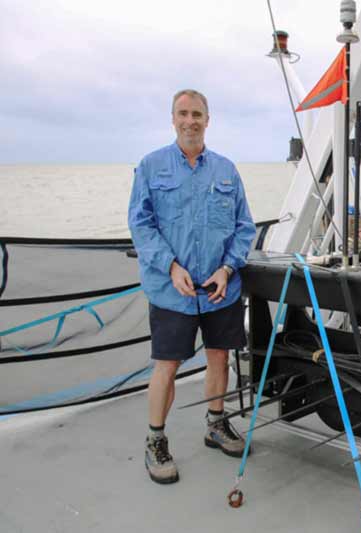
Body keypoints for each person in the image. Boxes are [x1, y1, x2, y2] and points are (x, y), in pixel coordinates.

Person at [128, 89, 256, 484]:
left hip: (219, 288)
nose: (190, 121)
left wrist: (228, 269)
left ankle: (215, 424)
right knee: (166, 365)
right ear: (172, 119)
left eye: (197, 114)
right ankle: (155, 441)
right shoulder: (151, 166)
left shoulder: (226, 170)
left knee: (219, 357)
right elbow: (140, 224)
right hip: (173, 290)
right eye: (183, 113)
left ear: (207, 119)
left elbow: (244, 227)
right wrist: (169, 266)